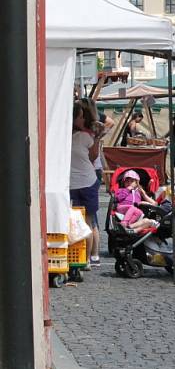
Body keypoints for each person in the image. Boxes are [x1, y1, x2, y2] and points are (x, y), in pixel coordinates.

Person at [70, 101, 102, 268]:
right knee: (88, 222)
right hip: (88, 182)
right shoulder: (85, 136)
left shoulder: (62, 137)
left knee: (75, 222)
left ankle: (83, 258)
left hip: (72, 184)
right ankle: (88, 259)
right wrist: (97, 138)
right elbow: (93, 157)